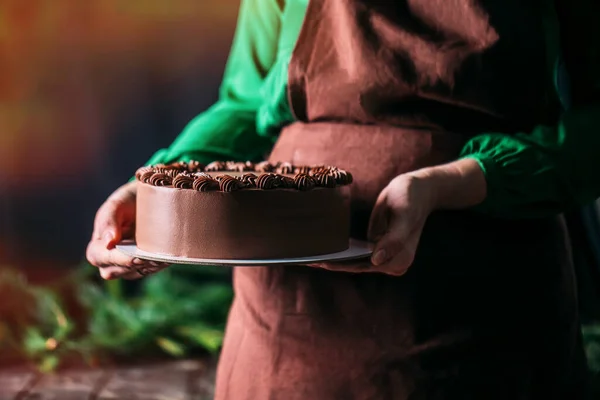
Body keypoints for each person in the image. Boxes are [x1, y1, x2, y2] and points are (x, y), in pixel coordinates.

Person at [87, 0, 600, 398]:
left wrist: (456, 180)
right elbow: (246, 103)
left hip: (486, 304)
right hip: (288, 321)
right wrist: (158, 183)